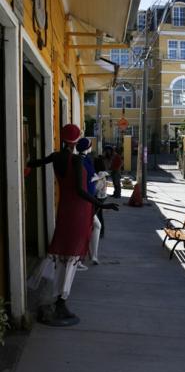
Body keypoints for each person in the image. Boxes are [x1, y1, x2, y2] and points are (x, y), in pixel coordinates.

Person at [27, 124, 118, 325]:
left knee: (63, 254)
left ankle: (60, 297)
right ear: (76, 141)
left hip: (65, 210)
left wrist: (26, 166)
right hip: (77, 211)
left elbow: (34, 163)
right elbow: (80, 190)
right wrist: (102, 204)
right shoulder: (76, 160)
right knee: (72, 255)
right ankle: (62, 300)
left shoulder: (55, 156)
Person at [76, 137, 105, 265]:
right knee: (91, 227)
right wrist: (97, 179)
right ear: (87, 147)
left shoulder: (86, 160)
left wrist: (97, 178)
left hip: (88, 198)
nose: (91, 148)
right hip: (84, 199)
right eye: (90, 146)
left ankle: (92, 255)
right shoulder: (81, 161)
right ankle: (84, 257)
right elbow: (84, 179)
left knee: (93, 226)